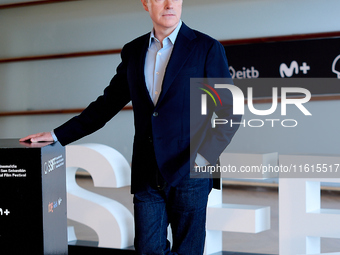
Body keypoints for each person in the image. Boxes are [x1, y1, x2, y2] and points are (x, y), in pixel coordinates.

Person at [20, 0, 241, 254]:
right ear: (146, 4)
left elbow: (230, 112)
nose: (169, 4)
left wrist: (202, 160)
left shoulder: (207, 48)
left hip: (190, 173)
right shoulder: (134, 51)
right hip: (148, 172)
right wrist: (57, 135)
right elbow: (107, 105)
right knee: (147, 249)